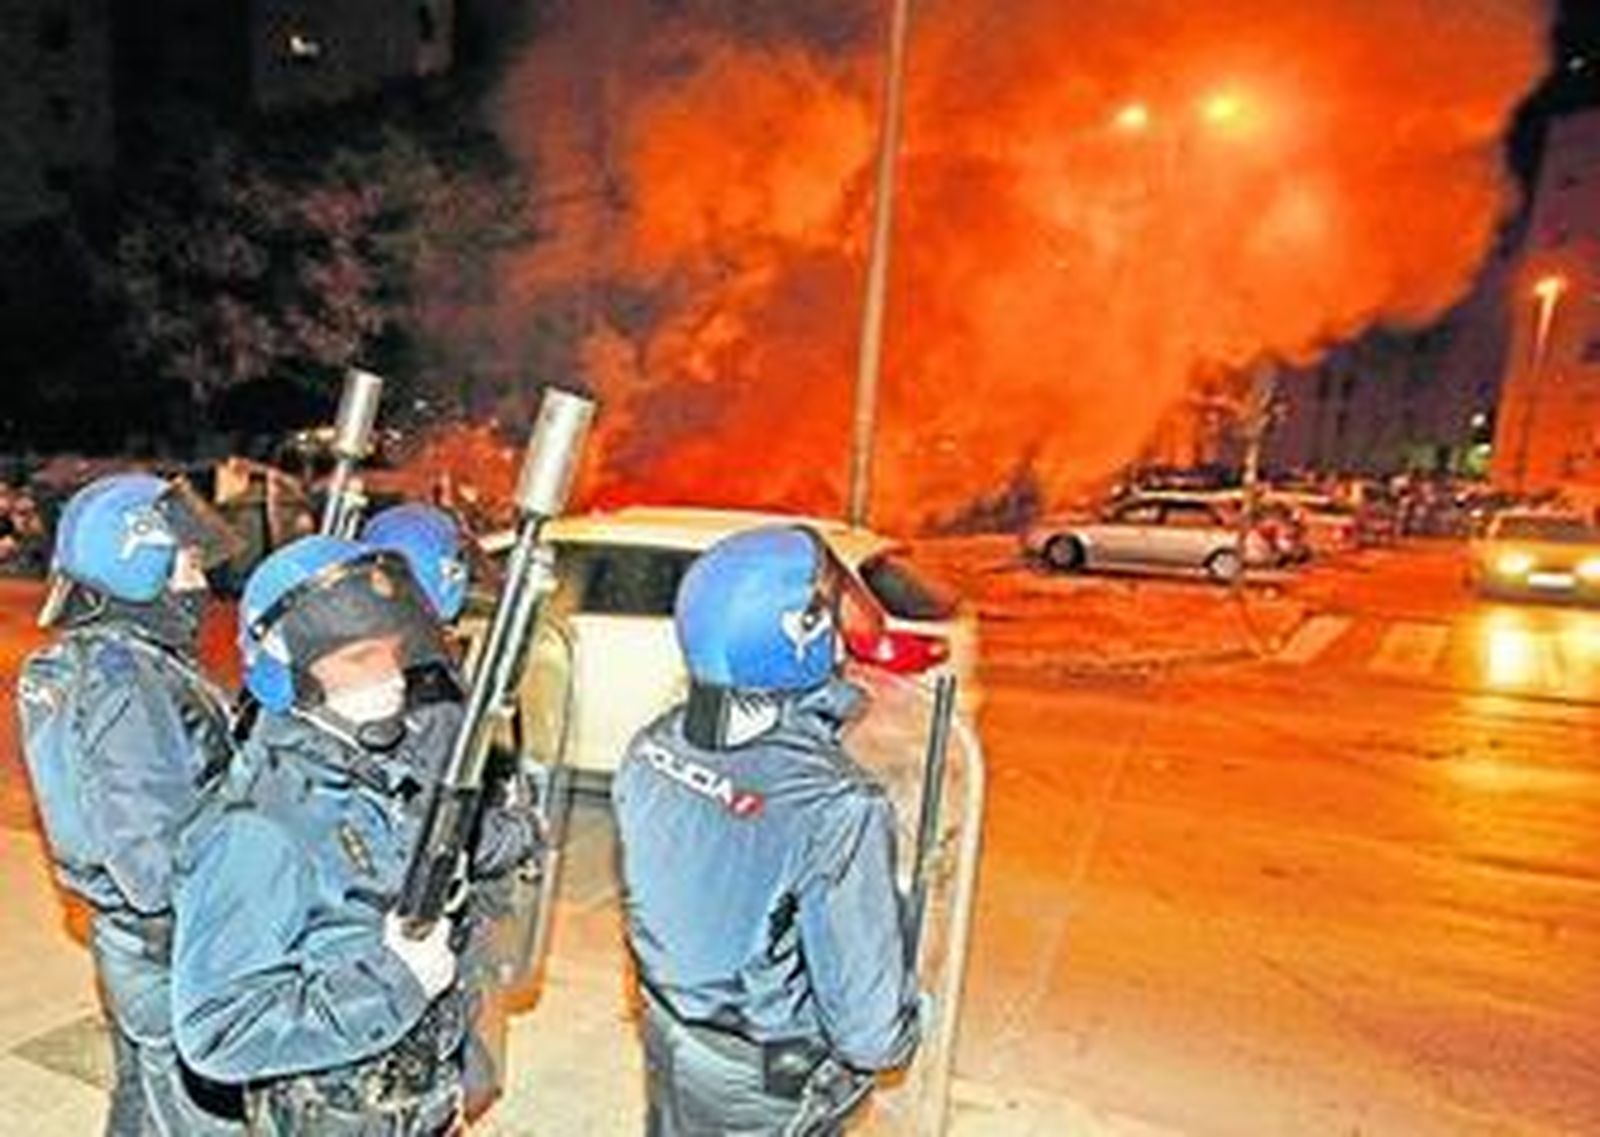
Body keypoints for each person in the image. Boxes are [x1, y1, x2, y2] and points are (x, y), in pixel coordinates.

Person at [612, 525, 920, 1137]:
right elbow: (870, 1037)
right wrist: (912, 1005)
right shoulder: (836, 806)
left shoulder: (652, 746)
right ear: (795, 635)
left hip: (672, 1038)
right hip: (767, 1078)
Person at [170, 535, 467, 1135]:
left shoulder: (363, 762)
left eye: (393, 651)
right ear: (288, 671)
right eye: (357, 659)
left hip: (401, 1096)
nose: (391, 678)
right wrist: (396, 982)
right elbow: (217, 1031)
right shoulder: (259, 827)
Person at [16, 472, 242, 1136]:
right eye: (189, 564)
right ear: (138, 563)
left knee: (146, 1098)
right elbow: (152, 861)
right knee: (198, 1116)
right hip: (171, 947)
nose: (200, 583)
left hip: (139, 942)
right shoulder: (122, 679)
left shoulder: (119, 657)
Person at [361, 502, 542, 1119]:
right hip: (417, 918)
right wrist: (524, 829)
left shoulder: (353, 656)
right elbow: (456, 833)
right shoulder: (433, 699)